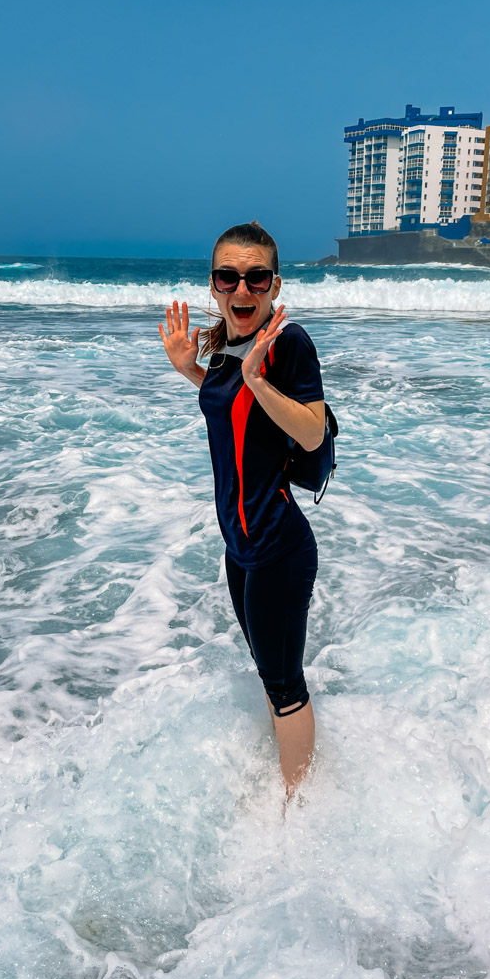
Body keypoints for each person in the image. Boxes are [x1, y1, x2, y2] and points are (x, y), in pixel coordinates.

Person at [158, 221, 326, 796]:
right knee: (267, 670)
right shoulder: (227, 349)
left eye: (256, 278)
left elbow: (308, 433)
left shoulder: (288, 343)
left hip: (278, 545)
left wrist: (256, 376)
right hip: (240, 548)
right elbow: (232, 418)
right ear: (214, 285)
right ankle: (286, 763)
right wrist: (193, 371)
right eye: (229, 277)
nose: (242, 290)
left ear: (275, 285)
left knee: (285, 684)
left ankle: (300, 808)